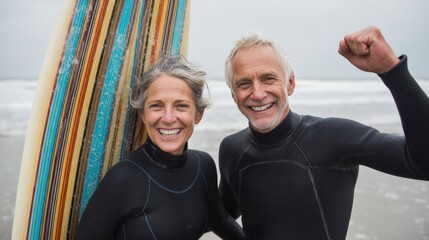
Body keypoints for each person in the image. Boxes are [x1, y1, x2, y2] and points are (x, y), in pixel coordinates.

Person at [218, 26, 429, 239]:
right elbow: (219, 216)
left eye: (268, 79)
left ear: (290, 83)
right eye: (244, 83)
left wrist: (391, 70)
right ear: (234, 94)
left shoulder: (334, 137)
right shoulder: (232, 149)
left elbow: (423, 163)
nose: (257, 93)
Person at [76, 55, 245, 239]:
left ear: (198, 114)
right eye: (156, 106)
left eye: (181, 106)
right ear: (143, 115)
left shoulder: (203, 166)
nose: (168, 118)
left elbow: (219, 220)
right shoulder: (123, 178)